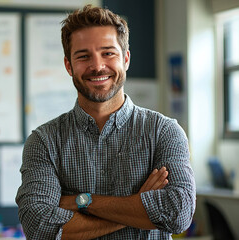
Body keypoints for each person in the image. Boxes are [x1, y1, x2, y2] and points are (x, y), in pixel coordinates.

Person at [16, 5, 196, 240]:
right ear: (68, 65)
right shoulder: (44, 141)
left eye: (108, 53)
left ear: (126, 59)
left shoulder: (164, 132)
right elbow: (39, 228)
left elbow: (178, 214)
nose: (98, 66)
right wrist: (139, 207)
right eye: (83, 56)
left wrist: (82, 201)